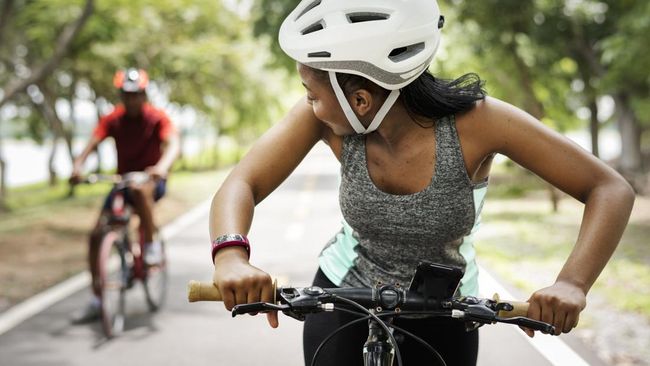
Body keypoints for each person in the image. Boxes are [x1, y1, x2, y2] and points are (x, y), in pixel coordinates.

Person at [208, 1, 635, 365]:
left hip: (445, 308)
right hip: (343, 295)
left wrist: (571, 283)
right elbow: (242, 182)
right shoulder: (327, 121)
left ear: (361, 100)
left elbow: (609, 189)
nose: (308, 104)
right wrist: (230, 255)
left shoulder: (479, 123)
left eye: (311, 92)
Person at [70, 68, 180, 323]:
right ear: (121, 95)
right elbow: (91, 144)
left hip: (151, 181)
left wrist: (161, 168)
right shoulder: (113, 119)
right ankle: (97, 299)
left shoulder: (157, 117)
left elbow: (174, 144)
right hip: (122, 182)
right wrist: (78, 166)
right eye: (127, 94)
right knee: (96, 234)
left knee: (140, 190)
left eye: (137, 94)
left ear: (144, 94)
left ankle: (150, 246)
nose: (131, 100)